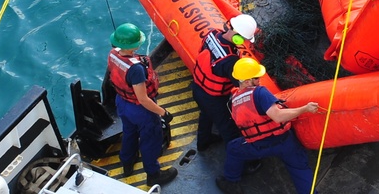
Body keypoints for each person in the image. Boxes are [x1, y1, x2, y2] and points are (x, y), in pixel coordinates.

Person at [215, 58, 321, 194]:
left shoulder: (234, 100)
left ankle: (231, 182)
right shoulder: (260, 92)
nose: (259, 80)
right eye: (256, 78)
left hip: (258, 146)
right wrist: (304, 109)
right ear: (247, 81)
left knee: (233, 148)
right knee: (300, 168)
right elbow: (278, 116)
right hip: (284, 141)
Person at [107, 23, 178, 187]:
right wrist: (163, 112)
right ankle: (153, 174)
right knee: (150, 140)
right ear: (134, 46)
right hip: (140, 109)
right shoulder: (136, 69)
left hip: (122, 102)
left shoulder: (112, 54)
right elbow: (143, 99)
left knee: (129, 132)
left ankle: (127, 162)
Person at [191, 14, 258, 152]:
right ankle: (241, 159)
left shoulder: (212, 33)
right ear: (238, 37)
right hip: (214, 98)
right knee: (228, 128)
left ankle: (203, 142)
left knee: (205, 115)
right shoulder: (230, 60)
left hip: (197, 87)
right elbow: (240, 83)